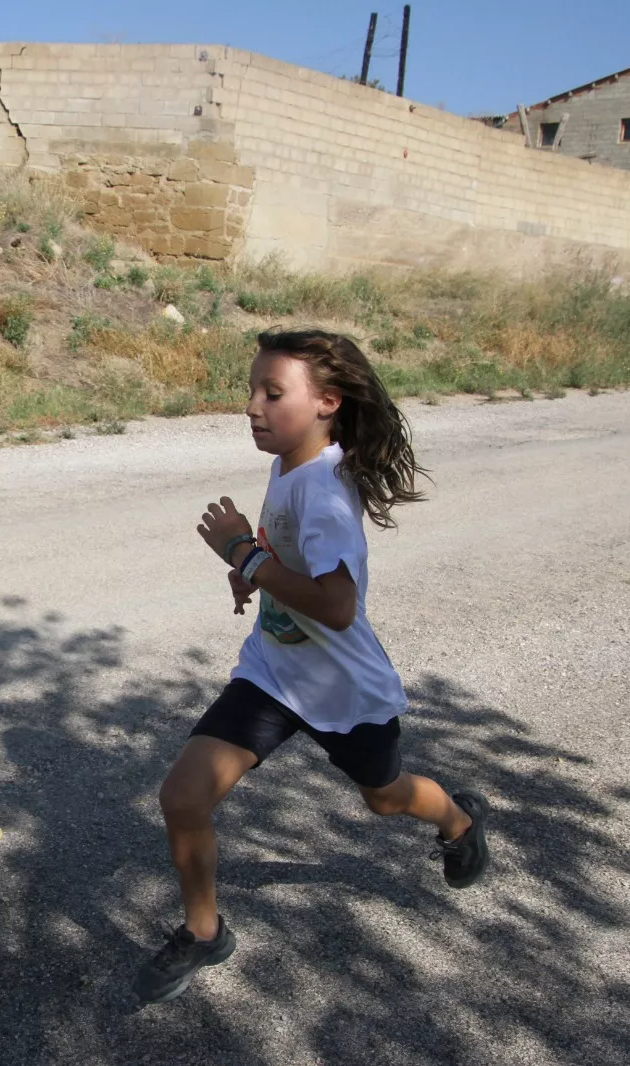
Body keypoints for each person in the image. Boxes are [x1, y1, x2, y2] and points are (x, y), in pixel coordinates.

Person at [132, 328, 489, 1005]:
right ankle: (204, 933)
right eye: (252, 391)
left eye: (273, 393)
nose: (251, 406)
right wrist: (255, 573)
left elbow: (337, 606)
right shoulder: (290, 463)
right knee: (183, 797)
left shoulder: (325, 491)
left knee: (384, 798)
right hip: (274, 673)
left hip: (344, 687)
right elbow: (283, 553)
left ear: (327, 402)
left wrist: (244, 558)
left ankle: (459, 823)